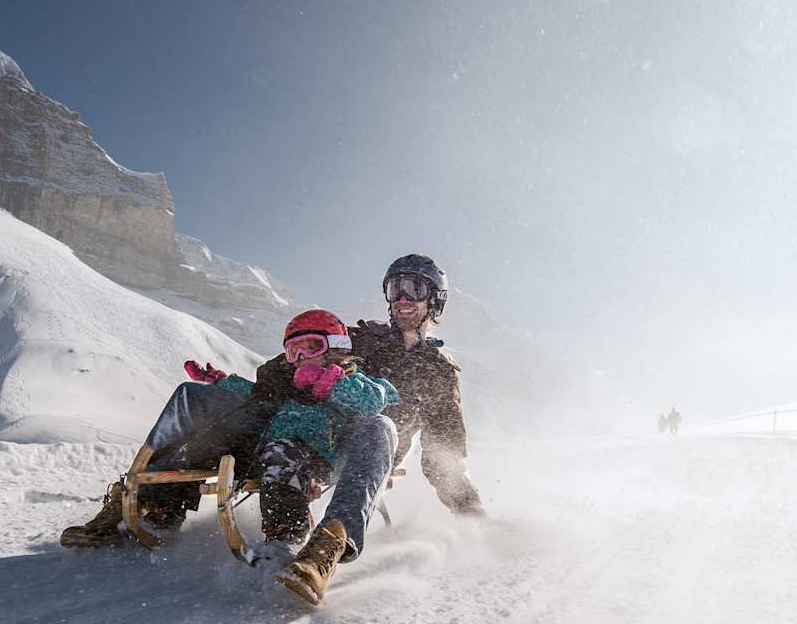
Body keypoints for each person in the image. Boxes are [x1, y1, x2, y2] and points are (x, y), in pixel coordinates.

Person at [60, 310, 401, 605]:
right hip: (268, 450)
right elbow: (254, 396)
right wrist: (220, 382)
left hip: (324, 456)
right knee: (204, 429)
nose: (300, 358)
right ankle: (150, 504)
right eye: (293, 351)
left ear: (337, 349)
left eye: (312, 347)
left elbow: (376, 399)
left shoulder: (357, 381)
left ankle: (314, 544)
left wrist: (331, 384)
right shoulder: (283, 382)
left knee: (328, 443)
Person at [345, 254, 486, 518]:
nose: (403, 298)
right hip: (330, 441)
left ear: (435, 300)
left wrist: (472, 512)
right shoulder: (363, 340)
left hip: (378, 456)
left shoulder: (439, 371)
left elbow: (442, 456)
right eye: (394, 289)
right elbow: (304, 358)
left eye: (414, 288)